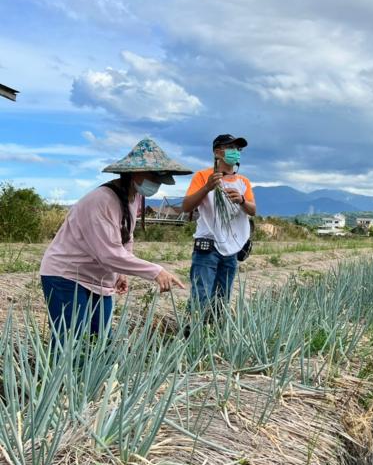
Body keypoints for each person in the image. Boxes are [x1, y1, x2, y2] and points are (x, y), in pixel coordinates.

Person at [40, 138, 189, 345]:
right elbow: (108, 254)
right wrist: (156, 271)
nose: (157, 183)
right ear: (135, 172)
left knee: (101, 342)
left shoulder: (133, 197)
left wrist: (120, 273)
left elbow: (126, 236)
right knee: (70, 342)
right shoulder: (102, 200)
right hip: (66, 275)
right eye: (154, 176)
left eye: (160, 179)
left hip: (97, 279)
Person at [182, 134, 256, 316]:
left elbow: (253, 210)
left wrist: (242, 200)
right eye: (230, 148)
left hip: (232, 248)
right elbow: (186, 206)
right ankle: (193, 330)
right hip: (208, 246)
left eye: (238, 149)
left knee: (222, 298)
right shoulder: (203, 176)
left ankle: (215, 330)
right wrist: (207, 187)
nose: (235, 152)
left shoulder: (243, 182)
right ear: (217, 152)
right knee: (201, 296)